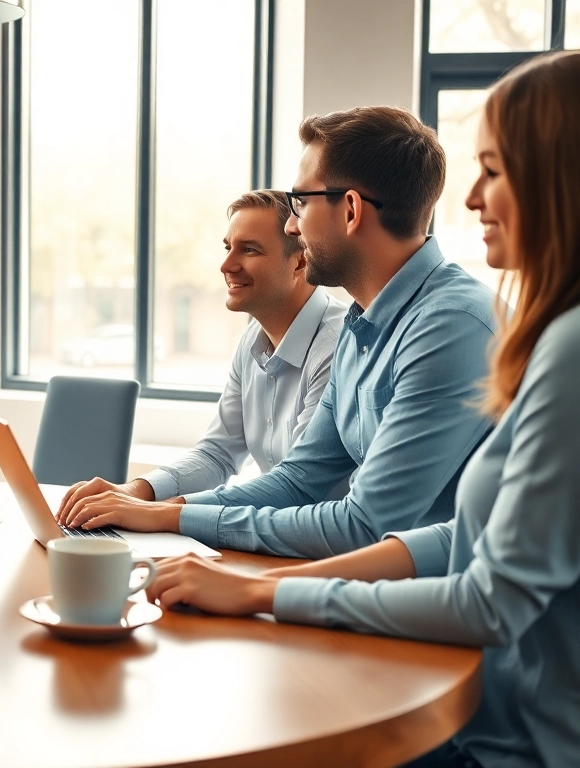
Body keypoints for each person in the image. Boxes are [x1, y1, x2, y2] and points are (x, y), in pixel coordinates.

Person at [143, 50, 580, 768]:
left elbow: (476, 589)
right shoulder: (370, 323)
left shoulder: (504, 332)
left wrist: (264, 596)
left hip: (505, 736)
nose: (471, 201)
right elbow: (460, 536)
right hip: (475, 698)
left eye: (494, 171)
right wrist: (234, 566)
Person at [59, 106, 498, 560]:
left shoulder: (450, 326)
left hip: (451, 611)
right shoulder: (361, 326)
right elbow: (299, 479)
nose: (292, 224)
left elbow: (365, 525)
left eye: (301, 203)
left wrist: (171, 516)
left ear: (349, 210)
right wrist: (167, 509)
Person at [112, 189, 347, 503]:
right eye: (228, 248)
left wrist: (163, 513)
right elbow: (218, 454)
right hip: (274, 536)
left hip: (325, 545)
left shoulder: (338, 347)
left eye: (248, 250)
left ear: (300, 262)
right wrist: (134, 492)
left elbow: (296, 486)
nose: (226, 265)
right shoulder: (253, 338)